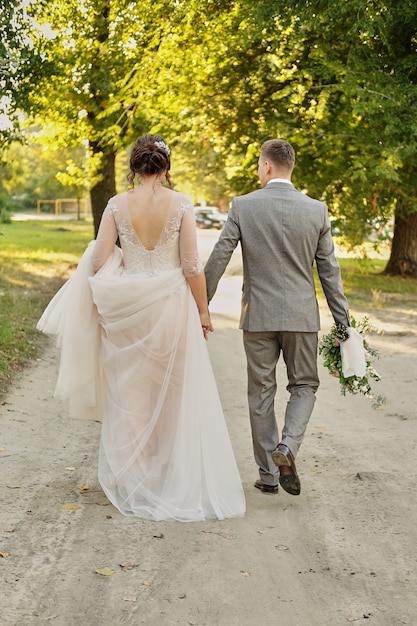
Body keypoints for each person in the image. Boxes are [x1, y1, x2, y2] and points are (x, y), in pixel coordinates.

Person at [37, 134, 245, 522]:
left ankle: (136, 478)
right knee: (171, 392)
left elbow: (98, 260)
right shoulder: (181, 203)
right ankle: (170, 477)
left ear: (133, 168)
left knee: (130, 393)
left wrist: (116, 271)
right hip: (171, 308)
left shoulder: (116, 205)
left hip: (128, 312)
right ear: (166, 168)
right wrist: (203, 311)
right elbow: (191, 266)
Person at [204, 139, 350, 497]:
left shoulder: (244, 206)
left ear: (267, 166)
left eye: (258, 164)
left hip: (257, 317)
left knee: (261, 392)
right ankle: (287, 447)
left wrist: (200, 305)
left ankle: (268, 475)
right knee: (304, 386)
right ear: (290, 166)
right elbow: (329, 271)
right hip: (301, 317)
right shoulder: (316, 210)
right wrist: (344, 323)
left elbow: (219, 256)